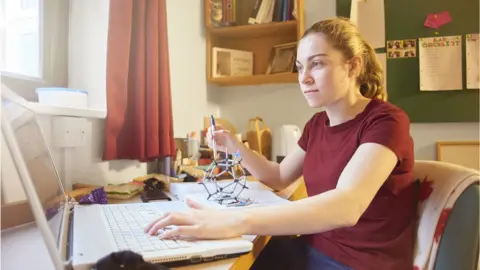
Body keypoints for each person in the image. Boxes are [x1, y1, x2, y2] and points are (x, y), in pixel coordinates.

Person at [144, 17, 416, 270]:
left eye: (317, 64)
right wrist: (233, 145)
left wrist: (235, 220)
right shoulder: (317, 125)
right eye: (299, 67)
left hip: (359, 263)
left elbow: (347, 206)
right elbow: (280, 177)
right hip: (312, 249)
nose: (304, 77)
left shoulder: (386, 121)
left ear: (353, 66)